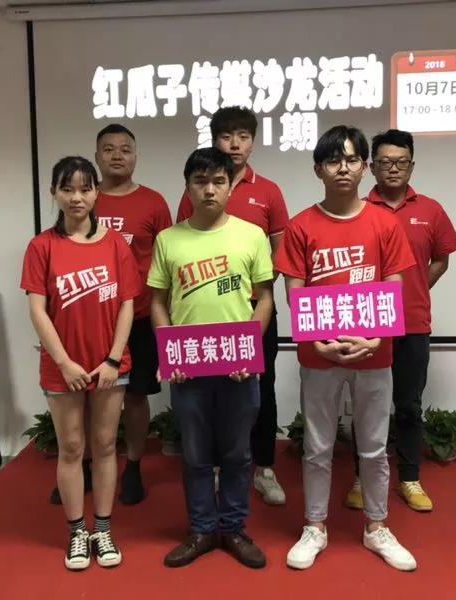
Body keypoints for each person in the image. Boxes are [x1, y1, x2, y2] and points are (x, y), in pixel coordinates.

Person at [274, 126, 418, 571]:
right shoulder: (301, 226)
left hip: (375, 353)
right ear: (318, 169)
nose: (343, 168)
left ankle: (377, 527)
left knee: (373, 447)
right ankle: (314, 526)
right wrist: (317, 340)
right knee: (317, 446)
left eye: (352, 159)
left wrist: (377, 338)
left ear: (364, 167)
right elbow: (295, 293)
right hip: (319, 356)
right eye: (333, 160)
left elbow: (395, 286)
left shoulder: (385, 224)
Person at [149, 147, 274, 569]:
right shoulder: (169, 240)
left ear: (229, 187)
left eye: (218, 181)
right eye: (200, 181)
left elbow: (265, 298)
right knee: (196, 455)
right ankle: (202, 529)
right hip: (189, 367)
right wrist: (171, 352)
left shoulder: (251, 235)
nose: (209, 190)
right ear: (187, 187)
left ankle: (233, 528)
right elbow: (158, 302)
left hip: (239, 367)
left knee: (238, 454)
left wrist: (249, 351)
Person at [21, 156, 141, 570]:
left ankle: (102, 529)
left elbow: (127, 304)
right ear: (53, 192)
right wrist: (65, 363)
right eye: (67, 189)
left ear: (96, 193)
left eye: (85, 188)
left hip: (110, 367)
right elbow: (38, 310)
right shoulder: (42, 247)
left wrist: (112, 360)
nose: (77, 197)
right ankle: (77, 532)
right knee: (72, 448)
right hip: (62, 370)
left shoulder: (116, 244)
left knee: (105, 445)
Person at [46, 124, 172, 506]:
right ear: (97, 156)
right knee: (83, 395)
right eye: (109, 149)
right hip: (87, 318)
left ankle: (132, 466)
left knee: (135, 397)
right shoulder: (83, 198)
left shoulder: (153, 202)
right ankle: (83, 465)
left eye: (125, 149)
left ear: (136, 156)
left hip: (139, 316)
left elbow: (167, 260)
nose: (117, 155)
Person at [344, 129, 456, 513]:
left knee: (409, 405)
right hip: (367, 326)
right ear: (371, 167)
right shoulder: (358, 209)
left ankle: (409, 478)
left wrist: (415, 288)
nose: (393, 169)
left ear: (412, 166)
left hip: (412, 324)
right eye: (385, 162)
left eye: (401, 162)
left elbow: (442, 258)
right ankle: (361, 478)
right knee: (366, 407)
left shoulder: (430, 210)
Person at [177, 106, 290, 506]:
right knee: (208, 393)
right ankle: (215, 468)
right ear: (214, 140)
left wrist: (252, 297)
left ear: (253, 141)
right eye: (226, 136)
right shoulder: (198, 189)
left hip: (255, 311)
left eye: (243, 136)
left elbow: (280, 253)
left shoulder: (269, 191)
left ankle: (264, 468)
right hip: (207, 314)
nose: (235, 144)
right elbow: (183, 247)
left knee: (261, 388)